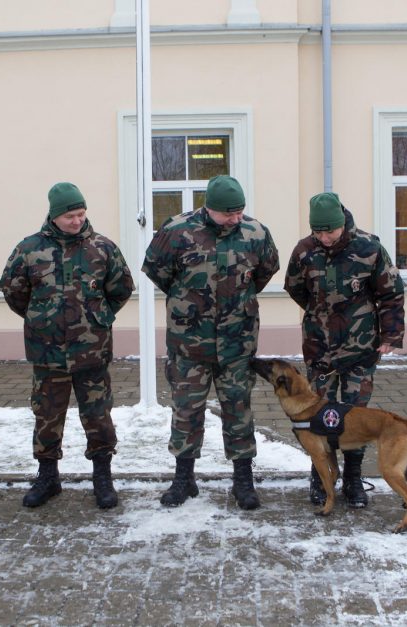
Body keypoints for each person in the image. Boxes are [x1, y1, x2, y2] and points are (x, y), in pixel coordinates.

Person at [143, 174, 279, 510]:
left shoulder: (256, 233)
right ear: (210, 208)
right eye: (228, 213)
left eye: (239, 212)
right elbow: (156, 270)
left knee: (238, 410)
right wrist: (189, 298)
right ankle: (184, 479)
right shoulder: (176, 231)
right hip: (189, 344)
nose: (235, 218)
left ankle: (242, 481)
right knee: (186, 411)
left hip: (237, 343)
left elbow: (265, 272)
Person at [0, 182, 134, 509]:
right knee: (46, 415)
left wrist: (97, 316)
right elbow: (14, 293)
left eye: (81, 213)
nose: (77, 221)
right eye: (70, 215)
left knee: (99, 415)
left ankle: (102, 476)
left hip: (92, 351)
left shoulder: (103, 248)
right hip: (48, 353)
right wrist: (40, 317)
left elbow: (121, 288)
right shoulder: (29, 249)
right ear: (55, 216)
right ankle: (47, 477)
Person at [284, 192, 405, 508]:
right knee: (317, 413)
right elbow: (296, 288)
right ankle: (319, 475)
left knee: (355, 415)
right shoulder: (304, 251)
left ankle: (352, 479)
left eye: (330, 231)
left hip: (360, 350)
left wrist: (391, 333)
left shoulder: (369, 248)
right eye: (318, 232)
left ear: (342, 224)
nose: (324, 238)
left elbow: (390, 294)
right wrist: (321, 314)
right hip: (319, 350)